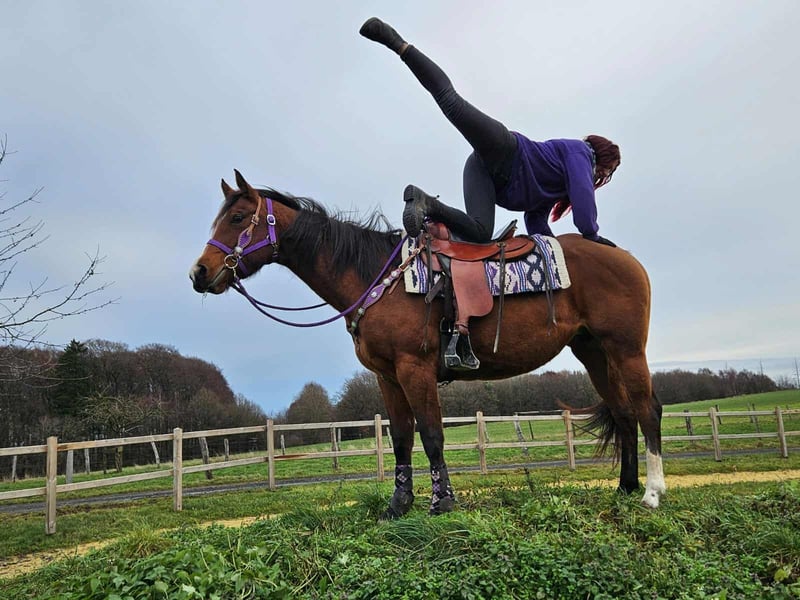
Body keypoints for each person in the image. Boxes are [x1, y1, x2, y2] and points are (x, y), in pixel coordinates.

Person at [359, 17, 620, 247]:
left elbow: (535, 218)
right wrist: (592, 236)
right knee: (451, 102)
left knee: (481, 233)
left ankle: (426, 203)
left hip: (485, 174)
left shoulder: (556, 184)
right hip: (507, 151)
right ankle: (397, 43)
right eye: (607, 170)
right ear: (600, 158)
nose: (601, 176)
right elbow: (584, 202)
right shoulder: (580, 153)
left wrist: (555, 251)